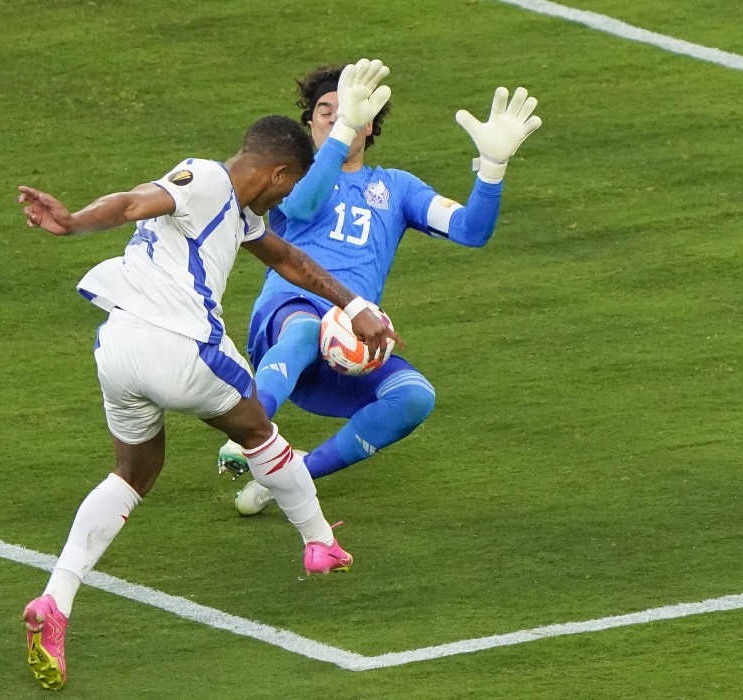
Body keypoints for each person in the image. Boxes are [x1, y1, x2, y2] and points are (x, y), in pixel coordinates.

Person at [17, 61, 397, 692]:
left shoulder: (235, 209)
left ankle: (55, 601)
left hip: (116, 347)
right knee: (258, 430)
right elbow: (136, 201)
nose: (283, 202)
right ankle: (320, 540)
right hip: (180, 345)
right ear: (279, 173)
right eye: (289, 188)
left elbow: (289, 259)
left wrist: (353, 308)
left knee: (133, 473)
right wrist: (73, 222)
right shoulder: (205, 180)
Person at [218, 64, 542, 517]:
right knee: (306, 330)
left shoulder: (396, 187)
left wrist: (492, 168)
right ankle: (248, 431)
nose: (334, 117)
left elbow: (472, 231)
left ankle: (293, 477)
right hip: (288, 313)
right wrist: (342, 129)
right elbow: (306, 205)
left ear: (371, 123)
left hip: (352, 335)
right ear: (310, 123)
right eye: (325, 110)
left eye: (348, 111)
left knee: (414, 397)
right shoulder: (290, 176)